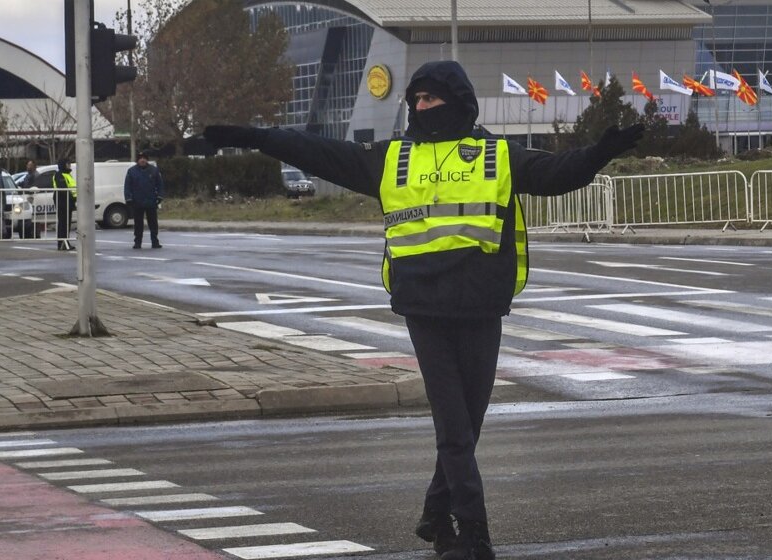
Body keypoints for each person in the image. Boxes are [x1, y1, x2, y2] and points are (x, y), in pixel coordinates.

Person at [203, 60, 643, 560]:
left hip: (480, 306)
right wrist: (260, 136)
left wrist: (600, 153)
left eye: (430, 98)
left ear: (455, 100)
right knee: (455, 427)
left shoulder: (495, 155)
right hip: (424, 308)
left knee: (468, 425)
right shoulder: (392, 158)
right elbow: (320, 152)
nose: (419, 106)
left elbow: (555, 174)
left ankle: (436, 515)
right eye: (415, 100)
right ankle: (472, 533)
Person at [124, 152, 164, 249]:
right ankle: (138, 242)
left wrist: (159, 196)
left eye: (144, 158)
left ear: (147, 159)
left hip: (151, 201)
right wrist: (128, 198)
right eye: (140, 158)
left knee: (153, 223)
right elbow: (127, 186)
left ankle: (155, 242)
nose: (142, 160)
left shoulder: (154, 171)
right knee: (138, 224)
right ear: (137, 160)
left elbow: (160, 185)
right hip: (137, 201)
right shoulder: (131, 171)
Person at [52, 159, 76, 250]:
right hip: (63, 202)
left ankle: (65, 242)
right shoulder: (59, 175)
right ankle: (62, 243)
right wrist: (72, 198)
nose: (69, 165)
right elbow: (63, 189)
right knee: (63, 223)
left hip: (68, 202)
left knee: (67, 223)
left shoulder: (67, 174)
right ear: (63, 165)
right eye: (68, 163)